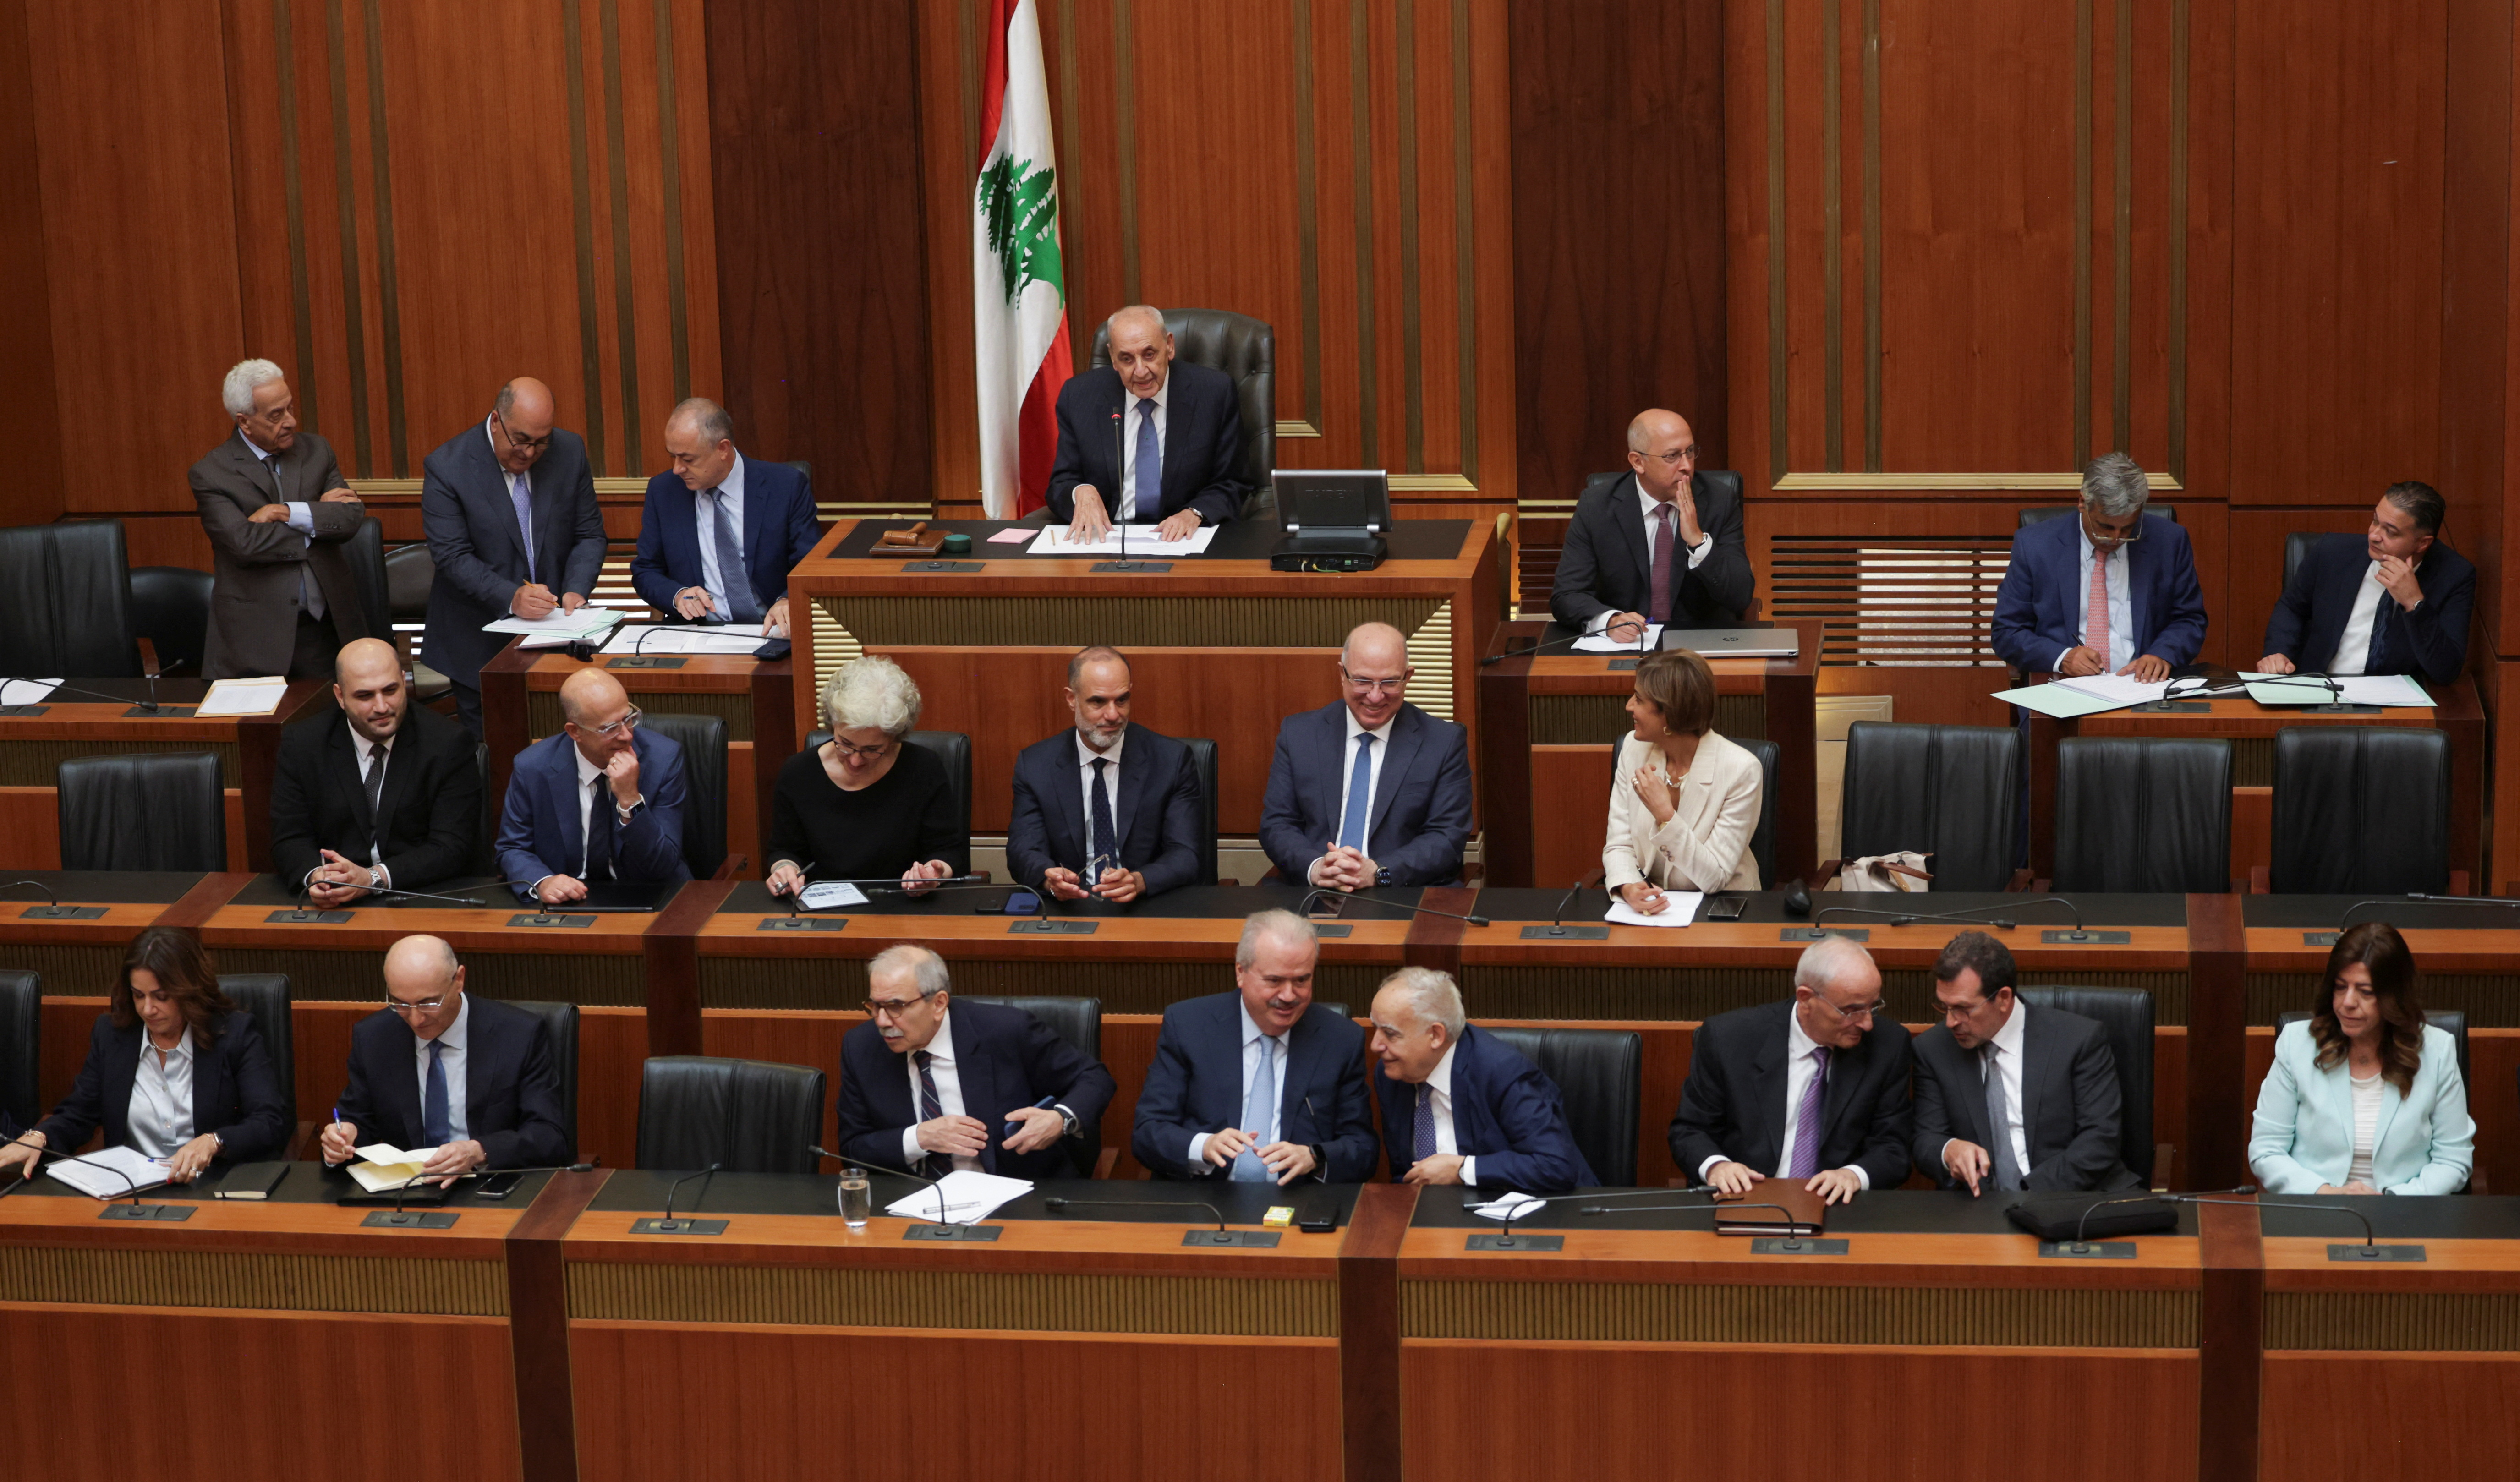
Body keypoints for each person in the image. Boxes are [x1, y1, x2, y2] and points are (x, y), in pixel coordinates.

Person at [0, 928, 287, 1185]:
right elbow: (79, 1113)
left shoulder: (233, 1034)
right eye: (139, 995)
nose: (148, 1009)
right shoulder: (113, 1037)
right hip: (131, 1191)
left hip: (212, 1187)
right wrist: (39, 1137)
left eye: (161, 997)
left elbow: (269, 1121)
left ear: (190, 991)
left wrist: (215, 1141)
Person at [1132, 909, 1379, 1184]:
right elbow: (1147, 1132)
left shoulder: (1340, 1039)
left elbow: (1363, 1148)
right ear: (1241, 972)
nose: (1289, 996)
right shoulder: (1189, 1026)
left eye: (1301, 980)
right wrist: (1202, 1146)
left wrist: (1316, 1158)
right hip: (1206, 1199)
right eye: (1274, 981)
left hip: (1299, 1202)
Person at [832, 946, 1117, 1181]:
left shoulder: (1006, 1030)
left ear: (939, 1003)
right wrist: (919, 1138)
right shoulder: (862, 1047)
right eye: (875, 1006)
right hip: (914, 1202)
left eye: (895, 1007)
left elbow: (1094, 1078)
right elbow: (853, 1148)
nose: (882, 1021)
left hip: (1017, 1194)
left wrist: (1060, 1119)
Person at [421, 377, 607, 736]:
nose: (530, 452)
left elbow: (589, 534)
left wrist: (576, 589)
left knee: (564, 745)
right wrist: (511, 596)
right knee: (496, 756)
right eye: (521, 440)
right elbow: (452, 556)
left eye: (541, 442)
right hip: (477, 644)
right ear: (496, 421)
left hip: (558, 639)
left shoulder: (568, 451)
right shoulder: (448, 466)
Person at [1668, 934, 1912, 1205]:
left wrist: (1854, 1175)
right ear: (1806, 999)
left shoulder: (1888, 1045)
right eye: (1852, 1010)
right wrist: (1717, 1167)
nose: (1867, 1024)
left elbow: (1894, 1146)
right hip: (1745, 1199)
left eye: (1873, 1006)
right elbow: (1690, 1131)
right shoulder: (1729, 1039)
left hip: (1840, 1205)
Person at [319, 935, 571, 1181]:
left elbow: (549, 1135)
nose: (416, 1019)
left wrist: (480, 1151)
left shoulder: (519, 1034)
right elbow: (356, 1122)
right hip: (409, 1189)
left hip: (491, 1183)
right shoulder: (375, 1037)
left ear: (459, 980)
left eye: (428, 1003)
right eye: (401, 1004)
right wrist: (342, 1141)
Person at [2249, 922, 2473, 1196]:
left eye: (2365, 992)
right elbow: (2266, 1151)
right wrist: (2326, 1193)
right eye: (2341, 987)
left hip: (2404, 1214)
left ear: (2394, 996)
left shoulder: (2438, 1051)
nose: (2348, 1002)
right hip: (2316, 1210)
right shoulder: (2297, 1044)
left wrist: (2391, 1201)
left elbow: (2453, 1161)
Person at [1911, 931, 2138, 1195]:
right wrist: (1948, 1149)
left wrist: (2026, 1197)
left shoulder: (2078, 1041)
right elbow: (1926, 1139)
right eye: (1944, 1007)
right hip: (1977, 1209)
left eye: (1963, 1009)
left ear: (2004, 999)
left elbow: (2100, 1140)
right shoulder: (1933, 1049)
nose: (1951, 1022)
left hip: (2071, 1199)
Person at [190, 359, 373, 680]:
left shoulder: (316, 450)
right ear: (245, 422)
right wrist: (316, 517)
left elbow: (350, 517)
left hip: (329, 628)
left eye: (290, 408)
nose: (291, 421)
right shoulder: (212, 473)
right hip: (258, 639)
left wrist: (287, 512)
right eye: (276, 415)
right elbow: (244, 543)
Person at [1258, 621, 1474, 889]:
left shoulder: (1442, 742)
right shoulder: (1299, 734)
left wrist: (1379, 873)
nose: (1375, 696)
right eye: (1362, 681)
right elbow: (1277, 824)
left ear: (1408, 677)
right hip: (1313, 890)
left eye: (1390, 682)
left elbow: (1447, 837)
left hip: (1401, 892)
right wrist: (1315, 868)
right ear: (1342, 674)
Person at [269, 637, 482, 907]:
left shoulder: (448, 743)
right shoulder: (303, 744)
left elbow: (452, 846)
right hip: (333, 901)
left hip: (419, 896)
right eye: (365, 696)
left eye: (390, 690)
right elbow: (290, 838)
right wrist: (319, 877)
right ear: (340, 696)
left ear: (404, 682)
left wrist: (373, 879)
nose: (382, 707)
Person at [1367, 968, 1594, 1193]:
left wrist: (1463, 1169)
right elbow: (1403, 1171)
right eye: (1375, 1028)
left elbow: (1555, 1165)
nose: (1375, 1045)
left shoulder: (1501, 1072)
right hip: (1437, 1215)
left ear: (1436, 1035)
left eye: (1390, 1034)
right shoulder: (1392, 1074)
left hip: (1536, 1213)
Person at [1007, 646, 1204, 904]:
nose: (1113, 715)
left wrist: (1140, 880)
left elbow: (1186, 854)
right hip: (1069, 906)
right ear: (1071, 699)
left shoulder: (1171, 760)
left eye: (1122, 700)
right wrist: (1049, 878)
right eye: (1098, 702)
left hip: (1146, 904)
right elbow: (1023, 850)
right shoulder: (1035, 765)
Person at [1990, 452, 2207, 681]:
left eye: (2127, 529)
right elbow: (2007, 632)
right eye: (2105, 527)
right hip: (2062, 688)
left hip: (2142, 689)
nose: (2116, 538)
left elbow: (2190, 620)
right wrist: (2062, 658)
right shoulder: (2035, 546)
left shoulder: (2169, 541)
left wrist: (2162, 654)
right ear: (2083, 502)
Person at [765, 656, 966, 898]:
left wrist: (933, 874)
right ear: (833, 725)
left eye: (872, 750)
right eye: (846, 744)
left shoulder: (923, 768)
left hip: (904, 904)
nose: (856, 760)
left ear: (894, 737)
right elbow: (785, 849)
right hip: (823, 906)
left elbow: (948, 851)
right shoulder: (798, 772)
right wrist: (784, 868)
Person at [1045, 305, 1244, 544]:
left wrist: (1193, 513)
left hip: (1183, 539)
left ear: (1169, 346)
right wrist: (1080, 492)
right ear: (1112, 358)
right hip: (1106, 539)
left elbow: (1233, 482)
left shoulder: (1214, 394)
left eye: (1150, 354)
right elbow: (1061, 483)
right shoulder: (1079, 396)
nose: (1140, 371)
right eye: (1126, 359)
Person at [495, 667, 693, 905]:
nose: (626, 735)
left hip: (651, 896)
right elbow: (511, 849)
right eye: (610, 729)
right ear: (575, 732)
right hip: (570, 900)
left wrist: (631, 801)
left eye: (629, 719)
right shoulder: (533, 767)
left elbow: (664, 867)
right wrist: (543, 881)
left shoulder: (663, 760)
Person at [1549, 409, 1754, 635]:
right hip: (1629, 647)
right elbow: (1567, 595)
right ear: (1638, 462)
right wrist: (1609, 621)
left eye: (1690, 452)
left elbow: (1741, 597)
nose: (1686, 465)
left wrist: (1698, 542)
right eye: (1672, 456)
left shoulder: (1719, 501)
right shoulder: (1596, 506)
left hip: (1697, 647)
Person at [628, 398, 819, 637]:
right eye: (673, 457)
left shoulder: (786, 486)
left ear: (723, 449)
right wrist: (677, 596)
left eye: (688, 459)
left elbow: (810, 562)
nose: (678, 469)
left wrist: (788, 600)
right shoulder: (664, 491)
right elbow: (646, 570)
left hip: (776, 631)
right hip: (699, 634)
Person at [2258, 481, 2476, 686]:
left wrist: (2414, 603)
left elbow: (2446, 671)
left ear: (2422, 543)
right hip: (2320, 688)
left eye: (2390, 532)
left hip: (2395, 703)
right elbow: (2292, 607)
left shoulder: (2454, 576)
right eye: (2375, 521)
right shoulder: (2332, 553)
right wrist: (2278, 652)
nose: (2373, 535)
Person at [1604, 647, 1763, 909]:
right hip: (1652, 908)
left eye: (1639, 699)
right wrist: (1629, 887)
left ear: (1670, 714)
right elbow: (1619, 844)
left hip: (1723, 907)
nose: (1629, 706)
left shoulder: (1742, 770)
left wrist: (1666, 817)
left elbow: (1715, 878)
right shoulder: (1633, 748)